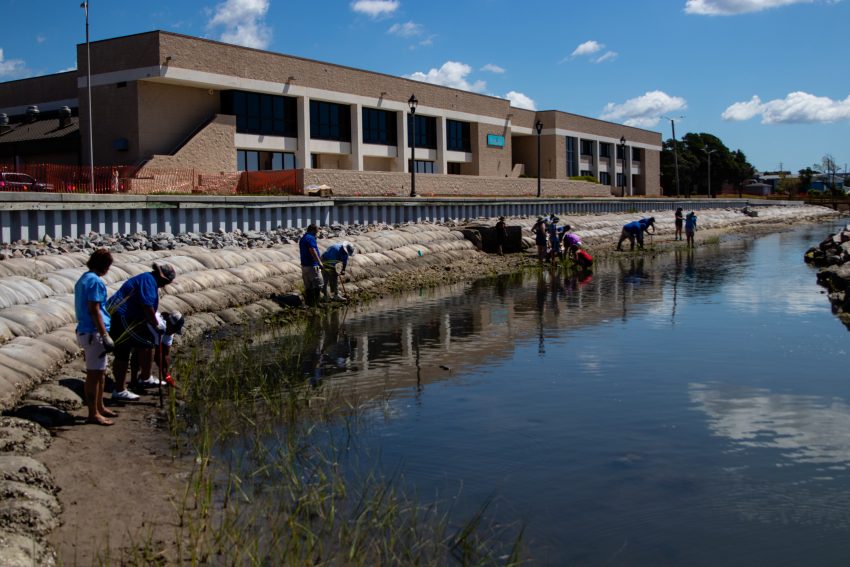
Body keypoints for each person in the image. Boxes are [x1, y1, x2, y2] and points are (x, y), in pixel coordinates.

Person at [106, 262, 177, 401]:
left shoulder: (149, 280)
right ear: (161, 277)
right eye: (165, 282)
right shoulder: (148, 281)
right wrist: (155, 325)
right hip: (122, 317)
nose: (165, 285)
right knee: (135, 347)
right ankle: (123, 388)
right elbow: (147, 306)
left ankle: (143, 378)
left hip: (129, 317)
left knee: (142, 345)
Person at [74, 249, 117, 425]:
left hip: (89, 331)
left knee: (101, 373)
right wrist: (104, 334)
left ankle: (100, 406)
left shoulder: (84, 278)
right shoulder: (95, 282)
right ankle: (93, 413)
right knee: (93, 374)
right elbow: (94, 310)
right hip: (93, 332)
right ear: (104, 266)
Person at [130, 311, 184, 390]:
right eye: (174, 329)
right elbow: (156, 354)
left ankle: (142, 378)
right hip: (137, 326)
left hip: (149, 335)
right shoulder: (159, 324)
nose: (173, 332)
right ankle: (135, 381)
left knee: (150, 353)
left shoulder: (170, 331)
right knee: (141, 350)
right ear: (169, 323)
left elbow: (165, 355)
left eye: (176, 330)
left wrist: (167, 375)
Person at [299, 224, 323, 306]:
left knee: (308, 286)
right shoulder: (310, 238)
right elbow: (312, 250)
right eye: (317, 230)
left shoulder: (303, 238)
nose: (318, 232)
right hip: (312, 265)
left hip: (304, 265)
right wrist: (319, 262)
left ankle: (308, 303)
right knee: (318, 285)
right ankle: (316, 303)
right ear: (313, 230)